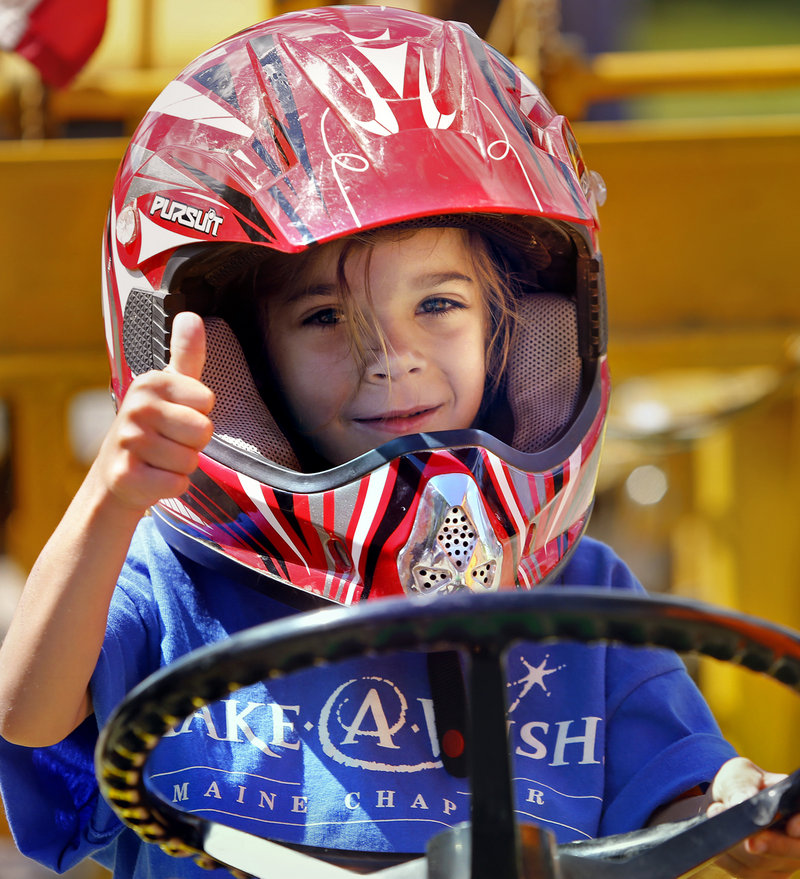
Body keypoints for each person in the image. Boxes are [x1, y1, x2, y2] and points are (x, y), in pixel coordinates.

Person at [0, 6, 798, 878]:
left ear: (512, 327)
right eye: (324, 317)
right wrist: (110, 502)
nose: (392, 359)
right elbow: (27, 710)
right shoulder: (170, 575)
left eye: (437, 304)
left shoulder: (583, 591)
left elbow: (684, 796)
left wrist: (741, 809)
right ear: (242, 360)